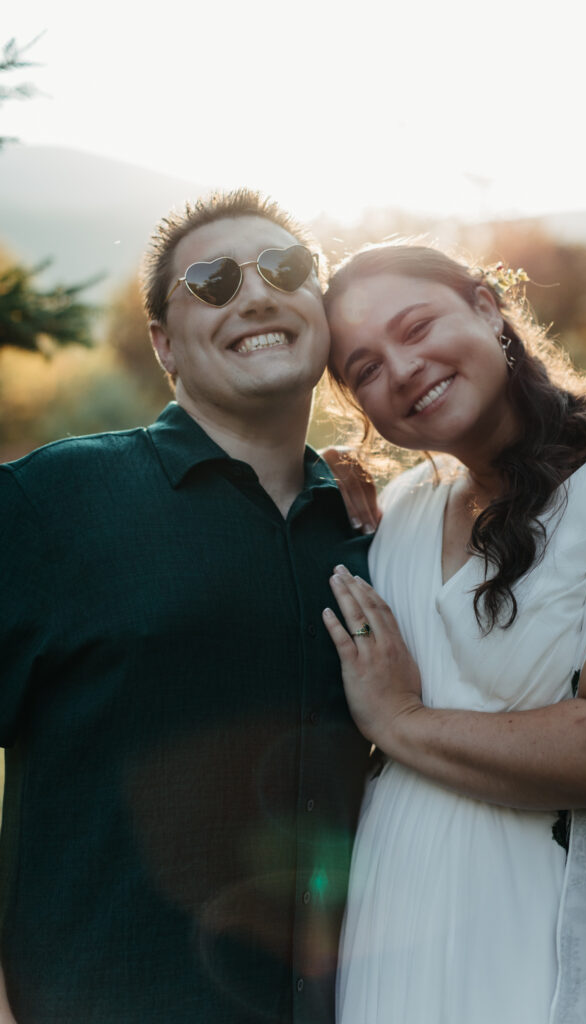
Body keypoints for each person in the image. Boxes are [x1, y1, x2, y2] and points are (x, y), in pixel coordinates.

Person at [0, 190, 372, 1024]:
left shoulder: (379, 532)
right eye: (210, 281)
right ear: (164, 345)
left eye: (285, 268)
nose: (254, 294)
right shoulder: (51, 502)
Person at [320, 244, 586, 1023]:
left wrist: (399, 720)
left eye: (416, 327)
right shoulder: (403, 512)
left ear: (486, 306)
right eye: (366, 368)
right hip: (390, 922)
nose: (404, 369)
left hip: (531, 936)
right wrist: (333, 513)